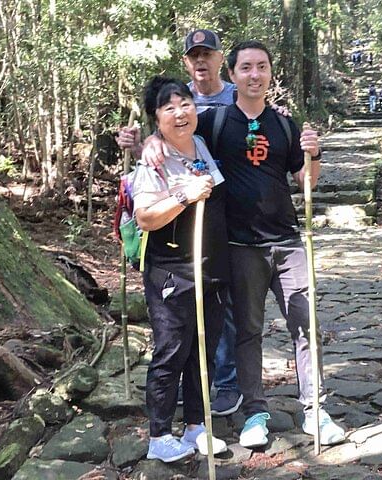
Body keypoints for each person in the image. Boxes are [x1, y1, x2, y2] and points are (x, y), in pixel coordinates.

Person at [191, 40, 345, 448]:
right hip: (241, 245)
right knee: (248, 331)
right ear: (233, 74)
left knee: (306, 325)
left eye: (262, 66)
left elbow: (305, 181)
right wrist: (145, 143)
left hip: (288, 242)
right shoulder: (214, 122)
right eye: (246, 67)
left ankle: (315, 409)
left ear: (270, 73)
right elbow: (176, 140)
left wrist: (314, 154)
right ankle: (255, 413)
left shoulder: (284, 125)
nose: (254, 74)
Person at [118, 29, 244, 418]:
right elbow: (165, 134)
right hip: (180, 246)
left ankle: (221, 390)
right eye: (194, 55)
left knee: (219, 318)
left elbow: (258, 121)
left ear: (221, 59)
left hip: (226, 224)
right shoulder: (177, 102)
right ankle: (174, 412)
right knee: (180, 332)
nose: (201, 60)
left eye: (208, 53)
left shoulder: (236, 97)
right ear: (187, 61)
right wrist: (147, 142)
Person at [132, 76, 228, 462]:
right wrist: (184, 195)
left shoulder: (201, 143)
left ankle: (195, 426)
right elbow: (145, 217)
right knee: (171, 351)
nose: (180, 112)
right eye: (168, 107)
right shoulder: (153, 159)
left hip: (212, 268)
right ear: (156, 118)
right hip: (172, 271)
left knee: (202, 352)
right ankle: (159, 436)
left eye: (185, 103)